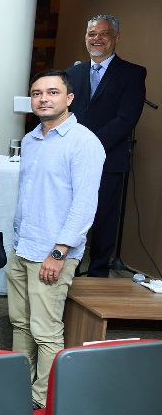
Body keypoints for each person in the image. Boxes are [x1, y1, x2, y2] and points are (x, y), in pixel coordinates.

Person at [10, 70, 104, 410]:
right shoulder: (34, 139)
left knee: (46, 331)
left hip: (52, 252)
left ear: (69, 98)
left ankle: (39, 399)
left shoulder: (83, 142)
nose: (43, 99)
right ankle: (18, 386)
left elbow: (84, 204)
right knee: (20, 324)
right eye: (37, 93)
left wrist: (60, 251)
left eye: (52, 92)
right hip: (23, 248)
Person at [66, 15, 146, 278]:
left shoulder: (132, 73)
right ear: (85, 37)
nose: (97, 39)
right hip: (71, 159)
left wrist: (90, 146)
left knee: (104, 218)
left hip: (108, 159)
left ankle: (98, 271)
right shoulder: (71, 74)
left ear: (116, 38)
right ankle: (70, 269)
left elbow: (126, 118)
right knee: (70, 215)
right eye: (92, 34)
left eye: (104, 34)